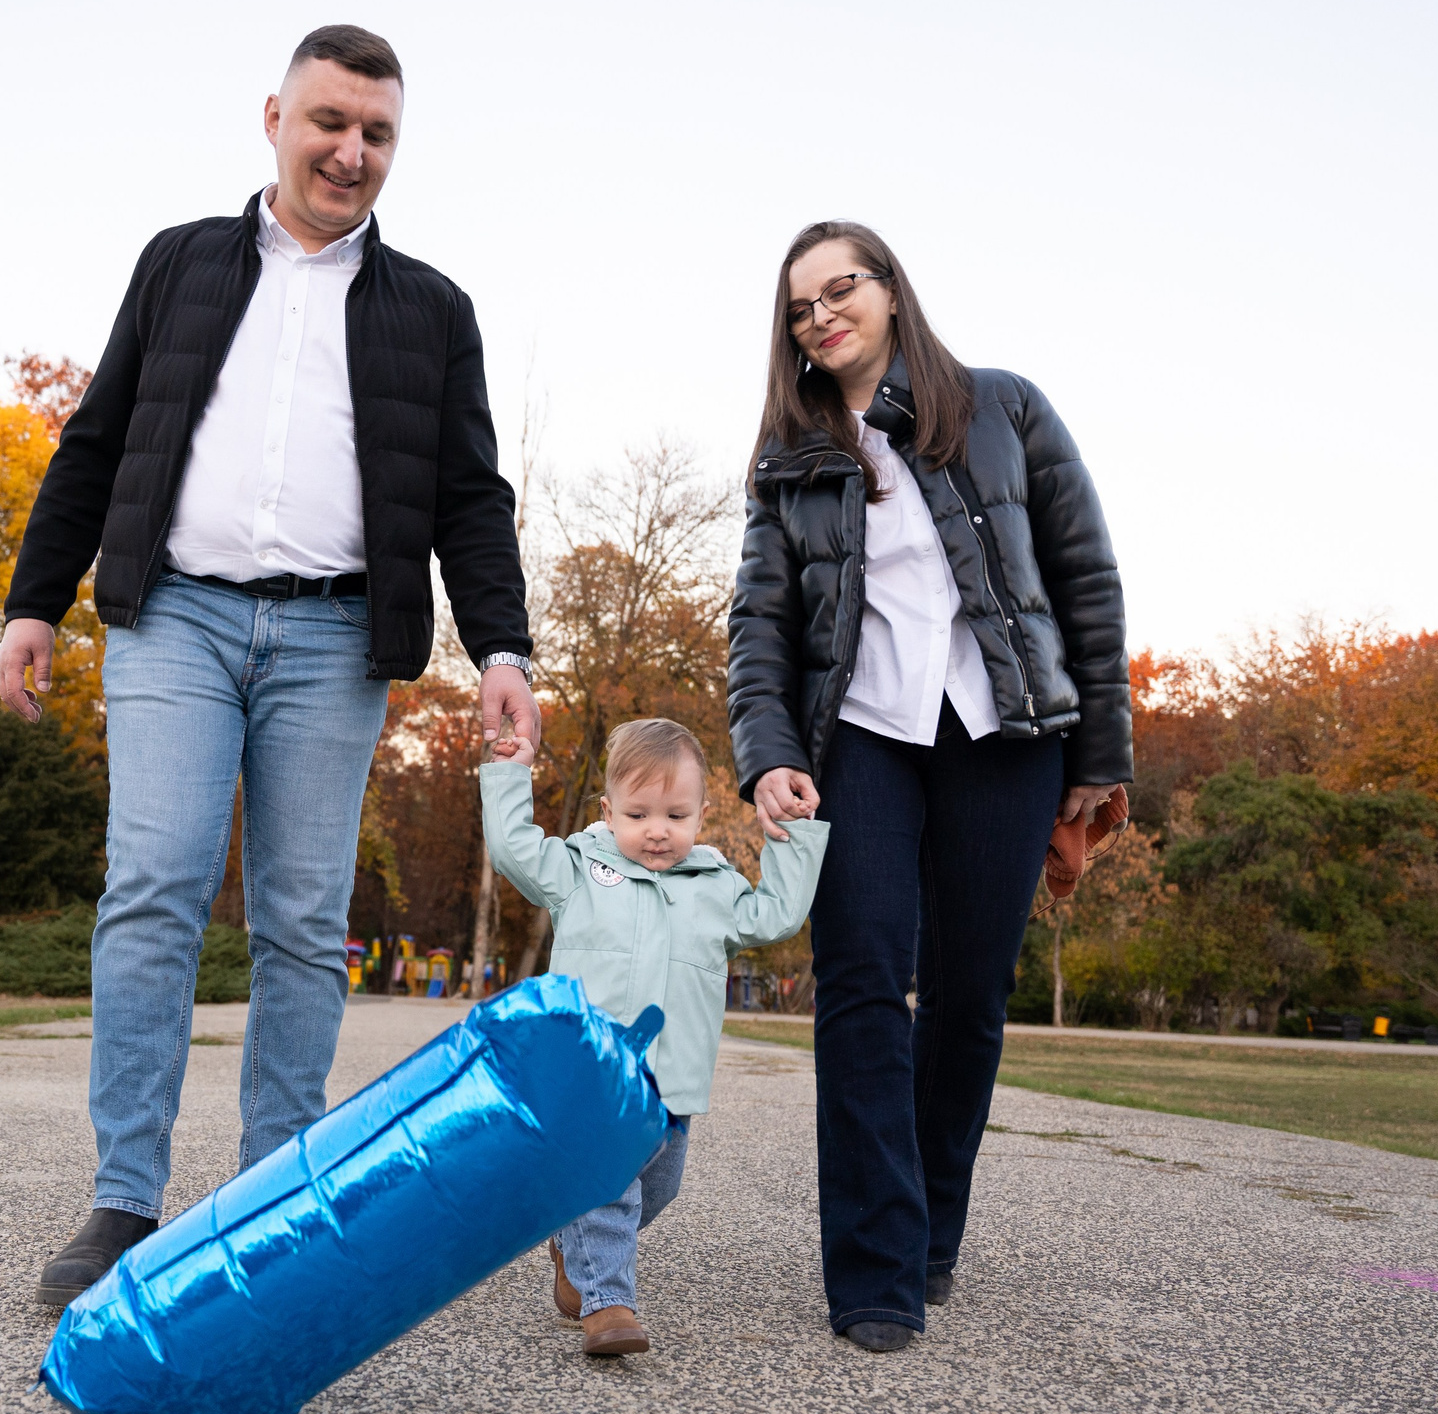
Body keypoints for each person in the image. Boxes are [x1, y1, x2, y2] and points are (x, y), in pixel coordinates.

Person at [0, 25, 540, 1307]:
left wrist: (502, 646)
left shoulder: (432, 311)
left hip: (335, 639)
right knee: (155, 889)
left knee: (300, 923)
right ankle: (124, 1200)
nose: (350, 153)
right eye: (329, 123)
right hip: (173, 616)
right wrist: (34, 603)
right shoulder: (179, 263)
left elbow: (470, 495)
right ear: (274, 119)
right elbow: (95, 441)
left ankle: (272, 1203)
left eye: (377, 134)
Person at [727, 221, 1131, 1353]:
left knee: (969, 995)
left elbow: (1085, 579)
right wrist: (768, 753)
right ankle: (874, 1270)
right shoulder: (789, 458)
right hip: (860, 736)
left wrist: (1100, 758)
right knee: (861, 981)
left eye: (839, 288)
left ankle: (930, 1232)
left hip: (1004, 732)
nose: (820, 315)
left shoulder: (1005, 407)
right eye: (799, 307)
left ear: (891, 291)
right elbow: (759, 625)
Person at [480, 718, 828, 1355]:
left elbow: (777, 916)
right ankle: (609, 1304)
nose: (657, 830)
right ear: (608, 812)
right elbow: (512, 849)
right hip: (594, 1078)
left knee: (656, 1191)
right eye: (638, 815)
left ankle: (572, 1237)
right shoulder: (578, 872)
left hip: (674, 1085)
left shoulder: (715, 887)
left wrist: (793, 835)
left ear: (702, 816)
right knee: (610, 1185)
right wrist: (509, 773)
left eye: (675, 815)